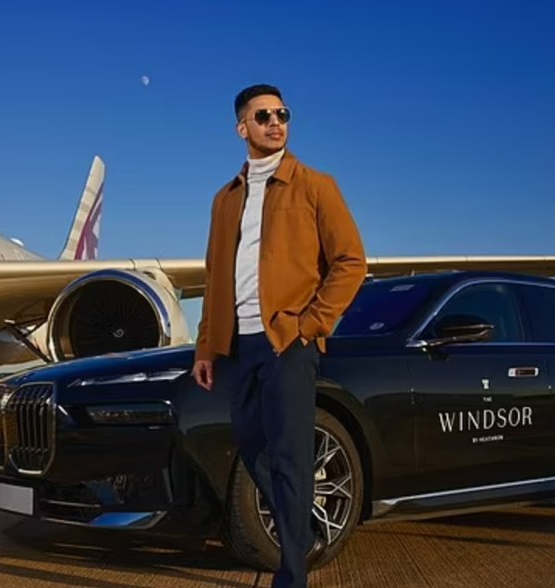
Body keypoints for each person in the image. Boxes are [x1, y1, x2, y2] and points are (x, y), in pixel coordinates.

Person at [191, 84, 367, 588]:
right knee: (251, 444)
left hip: (288, 341)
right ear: (241, 128)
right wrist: (207, 346)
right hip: (237, 344)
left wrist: (310, 325)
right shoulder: (224, 200)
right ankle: (306, 528)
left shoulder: (316, 185)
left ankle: (292, 574)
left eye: (282, 114)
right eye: (263, 115)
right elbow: (214, 276)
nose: (275, 122)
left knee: (291, 456)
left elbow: (351, 263)